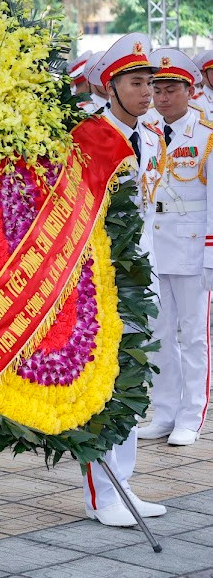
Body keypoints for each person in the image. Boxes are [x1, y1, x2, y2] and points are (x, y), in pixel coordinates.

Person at [84, 33, 168, 527]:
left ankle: (124, 483)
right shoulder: (90, 135)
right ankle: (102, 492)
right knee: (105, 382)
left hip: (144, 270)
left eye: (150, 83)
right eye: (136, 83)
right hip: (103, 277)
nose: (146, 92)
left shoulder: (153, 134)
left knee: (132, 379)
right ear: (110, 86)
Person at [134, 49, 213, 447]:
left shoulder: (207, 132)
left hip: (193, 248)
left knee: (194, 335)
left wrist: (212, 257)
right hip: (154, 247)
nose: (162, 97)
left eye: (170, 90)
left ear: (190, 89)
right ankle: (164, 411)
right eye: (156, 89)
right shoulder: (146, 130)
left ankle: (192, 413)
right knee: (160, 333)